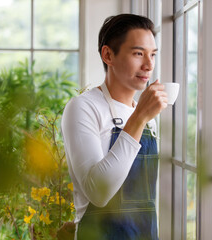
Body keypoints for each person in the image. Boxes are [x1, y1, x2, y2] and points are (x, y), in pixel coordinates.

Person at [61, 13, 167, 240]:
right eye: (138, 53)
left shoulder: (148, 116)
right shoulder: (83, 107)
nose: (149, 65)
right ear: (108, 55)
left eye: (153, 55)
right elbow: (98, 193)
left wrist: (141, 115)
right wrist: (139, 117)